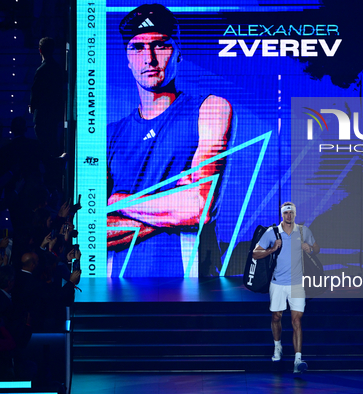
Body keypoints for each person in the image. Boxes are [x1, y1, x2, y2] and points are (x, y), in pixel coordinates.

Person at [107, 4, 232, 277]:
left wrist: (119, 202)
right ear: (127, 59)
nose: (149, 59)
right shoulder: (110, 135)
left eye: (160, 46)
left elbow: (198, 206)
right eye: (137, 48)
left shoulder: (209, 109)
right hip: (119, 289)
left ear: (178, 52)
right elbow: (97, 226)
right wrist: (171, 209)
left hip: (191, 288)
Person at [253, 202, 319, 373]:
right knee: (276, 317)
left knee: (296, 320)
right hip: (277, 283)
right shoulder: (272, 232)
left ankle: (298, 360)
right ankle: (278, 347)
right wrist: (272, 249)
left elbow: (317, 248)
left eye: (291, 213)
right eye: (286, 213)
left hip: (297, 284)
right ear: (282, 215)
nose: (289, 216)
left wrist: (310, 249)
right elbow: (255, 253)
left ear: (295, 214)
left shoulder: (303, 231)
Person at [29, 37, 64, 157]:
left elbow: (36, 91)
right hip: (54, 115)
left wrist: (33, 106)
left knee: (45, 146)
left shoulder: (41, 70)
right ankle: (54, 170)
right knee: (52, 144)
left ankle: (50, 170)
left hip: (43, 116)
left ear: (40, 51)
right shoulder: (58, 68)